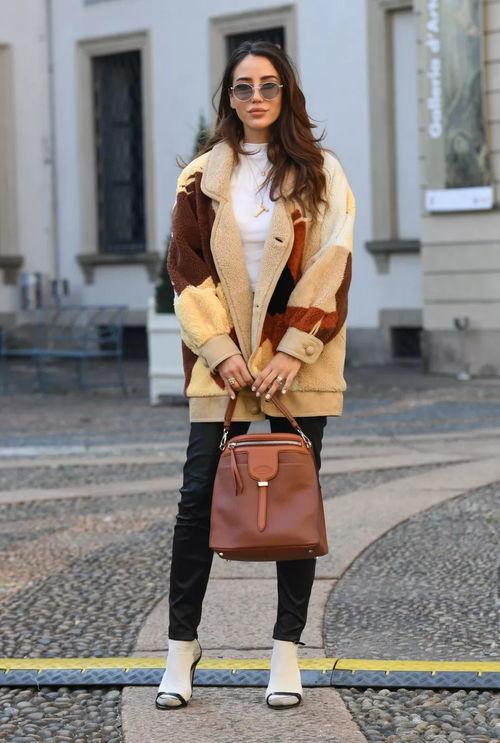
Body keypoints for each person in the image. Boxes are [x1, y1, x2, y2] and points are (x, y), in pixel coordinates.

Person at [156, 40, 356, 710]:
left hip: (297, 364)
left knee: (295, 505)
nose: (257, 97)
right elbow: (186, 269)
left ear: (286, 92)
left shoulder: (321, 172)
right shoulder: (199, 178)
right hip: (223, 366)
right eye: (243, 87)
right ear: (229, 98)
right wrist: (220, 349)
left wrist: (291, 350)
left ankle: (286, 652)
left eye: (269, 85)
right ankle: (181, 649)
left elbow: (332, 263)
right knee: (196, 502)